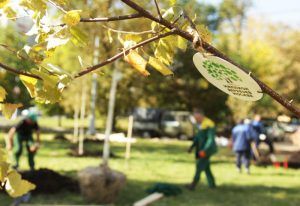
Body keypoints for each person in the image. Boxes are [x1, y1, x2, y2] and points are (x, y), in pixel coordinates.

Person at [186, 109, 217, 190]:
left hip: (207, 150)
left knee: (199, 165)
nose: (196, 120)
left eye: (197, 118)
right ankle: (212, 184)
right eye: (195, 118)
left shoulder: (209, 124)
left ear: (201, 116)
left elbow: (210, 140)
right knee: (206, 167)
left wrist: (205, 150)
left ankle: (193, 184)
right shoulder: (199, 124)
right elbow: (197, 138)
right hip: (200, 149)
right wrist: (192, 147)